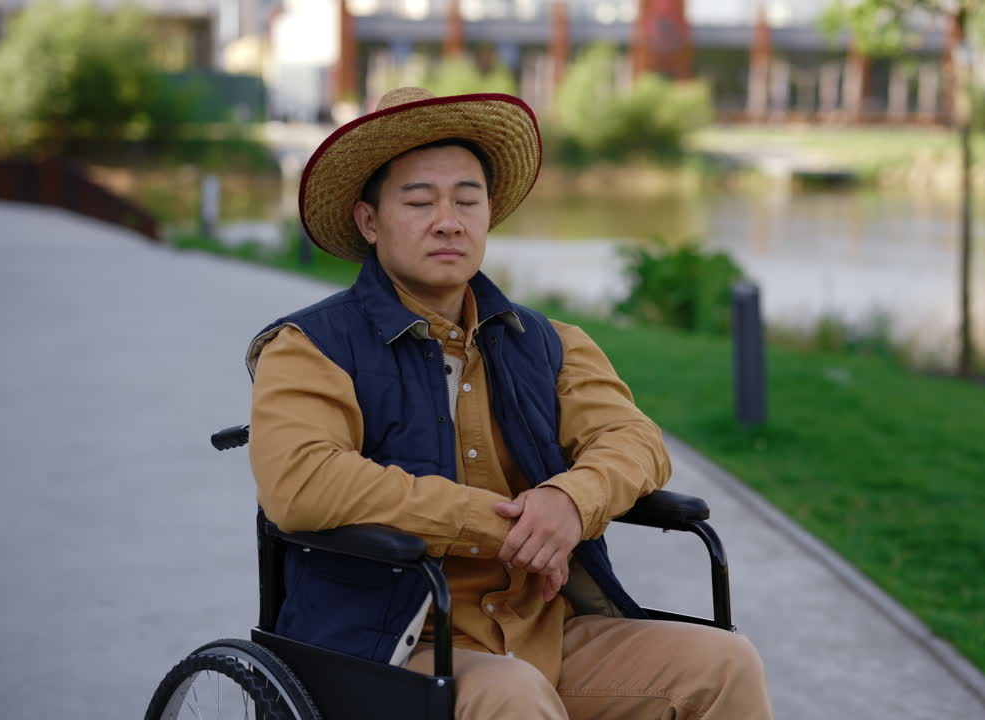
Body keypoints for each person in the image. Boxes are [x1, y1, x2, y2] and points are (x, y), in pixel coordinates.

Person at [246, 87, 773, 720]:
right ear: (369, 220)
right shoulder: (309, 347)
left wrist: (571, 504)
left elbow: (636, 442)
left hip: (541, 630)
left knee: (723, 665)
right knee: (512, 697)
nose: (449, 220)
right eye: (419, 200)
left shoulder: (549, 342)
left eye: (467, 199)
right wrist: (511, 527)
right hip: (390, 641)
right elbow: (302, 482)